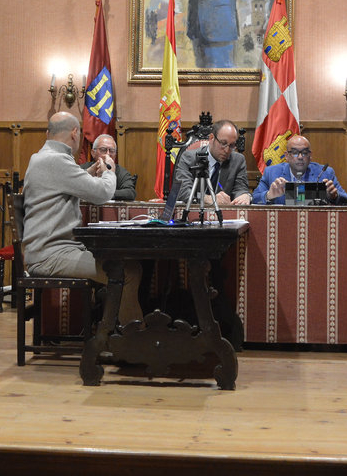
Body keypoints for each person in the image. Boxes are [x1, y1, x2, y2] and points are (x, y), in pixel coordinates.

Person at [22, 112, 143, 324]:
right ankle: (132, 340)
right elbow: (102, 194)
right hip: (51, 255)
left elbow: (65, 184)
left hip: (46, 250)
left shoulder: (41, 158)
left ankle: (114, 332)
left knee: (126, 267)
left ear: (47, 133)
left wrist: (90, 176)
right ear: (75, 133)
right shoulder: (57, 161)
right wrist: (108, 171)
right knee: (129, 271)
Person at [252, 134, 347, 205]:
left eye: (304, 152)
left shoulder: (325, 173)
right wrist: (268, 195)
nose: (300, 157)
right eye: (295, 152)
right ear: (286, 156)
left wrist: (335, 196)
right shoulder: (272, 173)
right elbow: (254, 199)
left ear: (310, 155)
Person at [172, 119, 252, 206]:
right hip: (195, 212)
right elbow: (182, 191)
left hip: (224, 214)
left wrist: (244, 196)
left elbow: (240, 188)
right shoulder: (189, 158)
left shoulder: (238, 160)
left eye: (232, 145)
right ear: (211, 138)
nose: (227, 150)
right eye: (223, 143)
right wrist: (208, 198)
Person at [79, 134, 137, 201]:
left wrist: (105, 194)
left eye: (112, 151)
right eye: (103, 150)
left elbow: (130, 193)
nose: (108, 154)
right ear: (93, 153)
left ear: (115, 155)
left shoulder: (121, 172)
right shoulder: (83, 169)